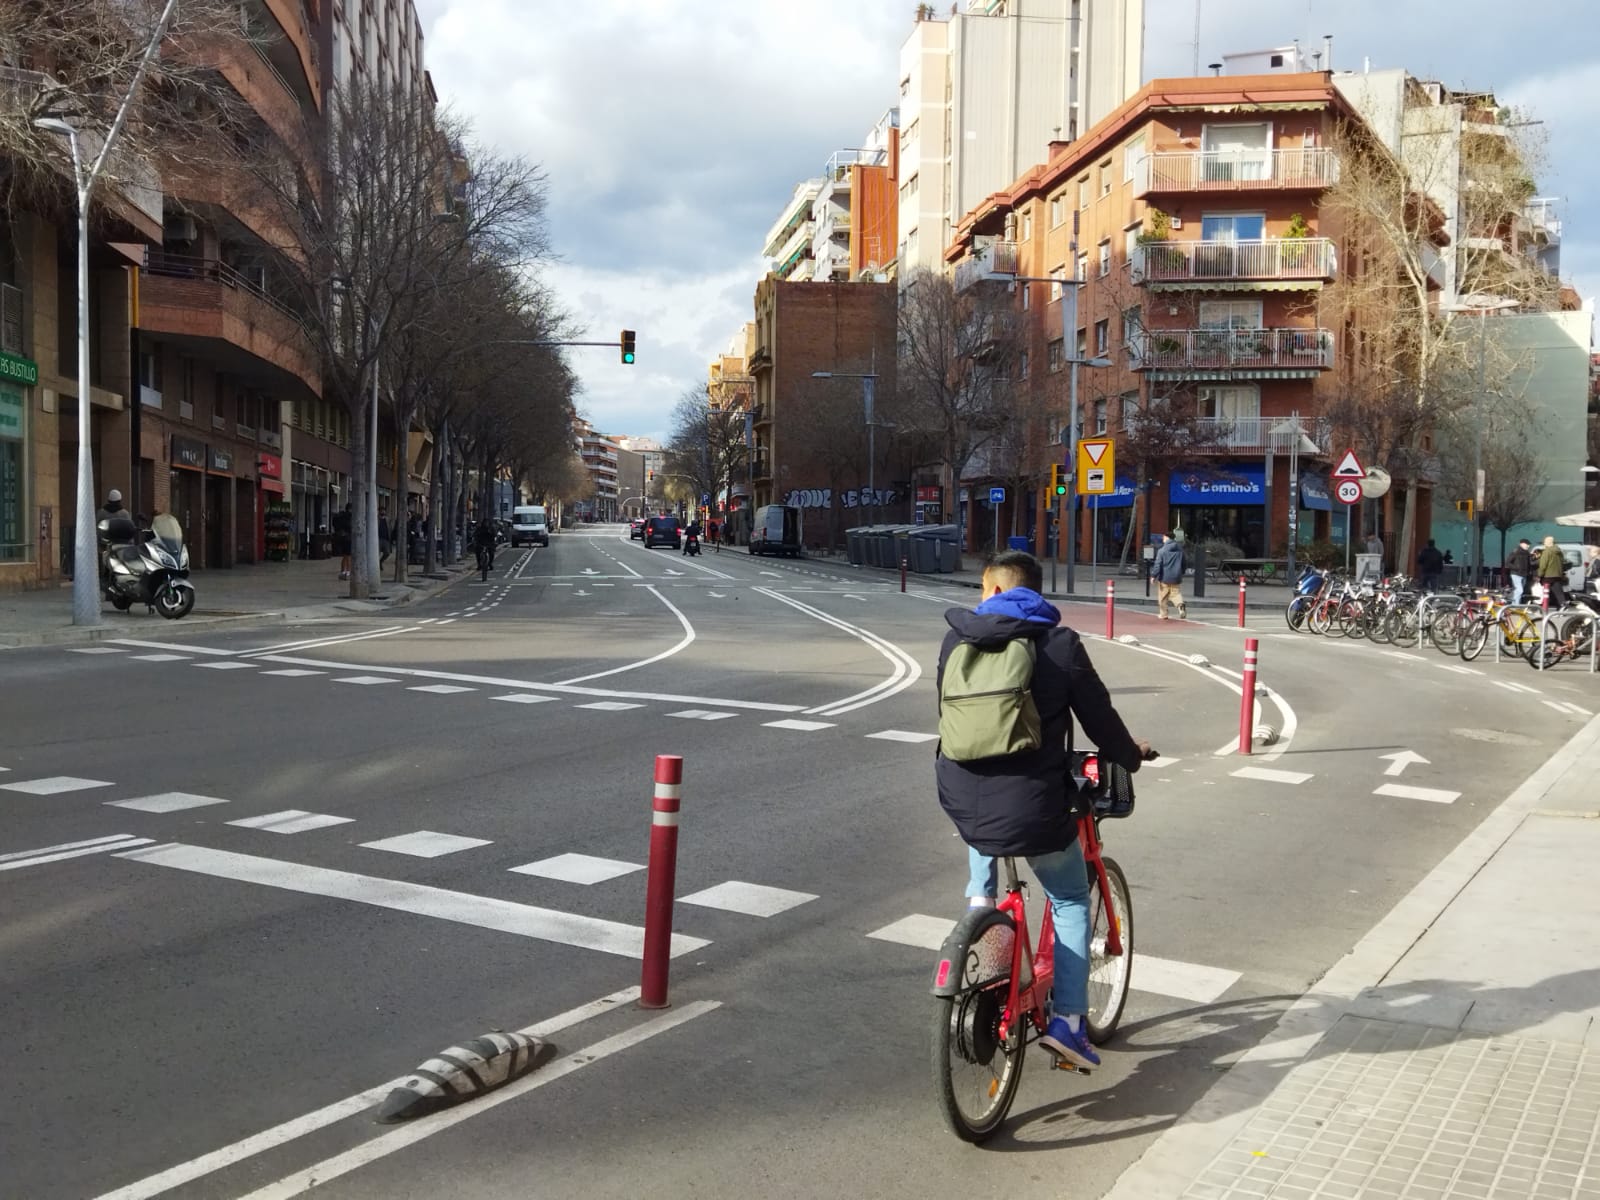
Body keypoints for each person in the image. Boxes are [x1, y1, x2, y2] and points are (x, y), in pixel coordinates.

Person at [936, 550, 1148, 1071]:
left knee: (985, 825)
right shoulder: (1059, 644)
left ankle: (979, 910)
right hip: (1033, 805)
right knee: (1072, 897)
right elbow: (1101, 721)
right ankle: (1070, 1025)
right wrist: (1131, 757)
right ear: (1037, 592)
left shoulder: (955, 640)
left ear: (989, 590)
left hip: (959, 797)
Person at [1152, 532, 1187, 620]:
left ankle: (1164, 614)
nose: (1162, 539)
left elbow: (1158, 565)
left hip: (1164, 577)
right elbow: (1184, 563)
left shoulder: (1162, 550)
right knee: (1176, 594)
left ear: (1166, 537)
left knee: (1163, 597)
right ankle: (1180, 606)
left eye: (1163, 537)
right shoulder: (1180, 549)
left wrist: (1153, 576)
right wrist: (1181, 572)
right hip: (1176, 576)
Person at [1536, 535, 1567, 609]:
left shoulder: (1547, 552)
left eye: (1545, 542)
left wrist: (1539, 575)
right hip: (1557, 575)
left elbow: (1543, 565)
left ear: (1547, 543)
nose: (1544, 543)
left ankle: (1543, 608)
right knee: (1558, 592)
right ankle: (1563, 605)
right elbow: (1563, 562)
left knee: (1545, 592)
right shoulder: (1559, 551)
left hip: (1548, 576)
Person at [1506, 538, 1533, 605]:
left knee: (1519, 591)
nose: (1528, 546)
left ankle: (1514, 605)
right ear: (1522, 544)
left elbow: (1529, 564)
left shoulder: (1527, 553)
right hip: (1516, 574)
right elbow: (1508, 563)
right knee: (1519, 590)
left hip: (1524, 575)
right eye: (1527, 544)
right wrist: (1517, 568)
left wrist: (1529, 572)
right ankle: (1515, 605)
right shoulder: (1515, 552)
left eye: (1529, 545)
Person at [332, 504, 353, 581]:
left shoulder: (340, 516)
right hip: (348, 538)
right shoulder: (349, 516)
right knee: (348, 556)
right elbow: (350, 526)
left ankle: (343, 571)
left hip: (341, 538)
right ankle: (348, 571)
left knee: (345, 555)